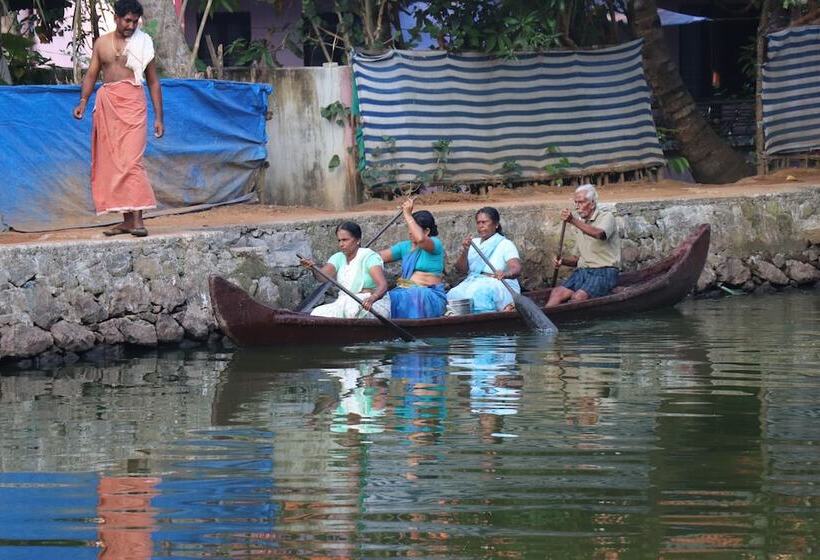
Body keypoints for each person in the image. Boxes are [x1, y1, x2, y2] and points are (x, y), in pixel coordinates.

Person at [72, 0, 163, 237]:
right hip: (108, 105)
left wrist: (159, 117)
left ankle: (139, 220)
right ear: (117, 18)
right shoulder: (102, 43)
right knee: (114, 163)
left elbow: (153, 81)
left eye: (135, 21)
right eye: (127, 20)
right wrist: (83, 101)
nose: (131, 25)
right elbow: (92, 73)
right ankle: (126, 221)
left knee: (132, 162)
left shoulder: (144, 43)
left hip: (133, 104)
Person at [546, 184, 621, 307]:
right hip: (583, 271)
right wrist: (562, 261)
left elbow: (599, 234)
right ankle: (545, 320)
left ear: (592, 203)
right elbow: (577, 260)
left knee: (578, 297)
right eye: (576, 203)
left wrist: (572, 221)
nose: (577, 207)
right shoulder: (581, 225)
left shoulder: (607, 217)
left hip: (604, 272)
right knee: (557, 292)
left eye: (581, 202)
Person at [300, 221, 391, 319]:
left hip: (372, 304)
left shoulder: (369, 257)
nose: (341, 244)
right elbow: (322, 277)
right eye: (339, 240)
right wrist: (313, 268)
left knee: (351, 308)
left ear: (358, 240)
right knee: (318, 312)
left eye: (345, 240)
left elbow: (383, 285)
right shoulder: (338, 257)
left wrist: (372, 298)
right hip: (344, 303)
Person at [378, 198, 447, 319]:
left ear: (426, 231)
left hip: (428, 295)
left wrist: (407, 214)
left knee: (418, 293)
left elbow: (420, 239)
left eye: (413, 227)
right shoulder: (405, 246)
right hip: (404, 291)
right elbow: (377, 258)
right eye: (409, 227)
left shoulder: (435, 244)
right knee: (387, 297)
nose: (410, 232)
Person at [446, 207, 523, 313]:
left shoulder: (505, 244)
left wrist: (505, 274)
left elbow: (516, 268)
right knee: (453, 294)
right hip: (474, 280)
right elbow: (461, 270)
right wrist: (465, 250)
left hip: (499, 283)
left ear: (496, 224)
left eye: (484, 222)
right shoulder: (474, 243)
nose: (481, 226)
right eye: (478, 223)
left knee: (481, 293)